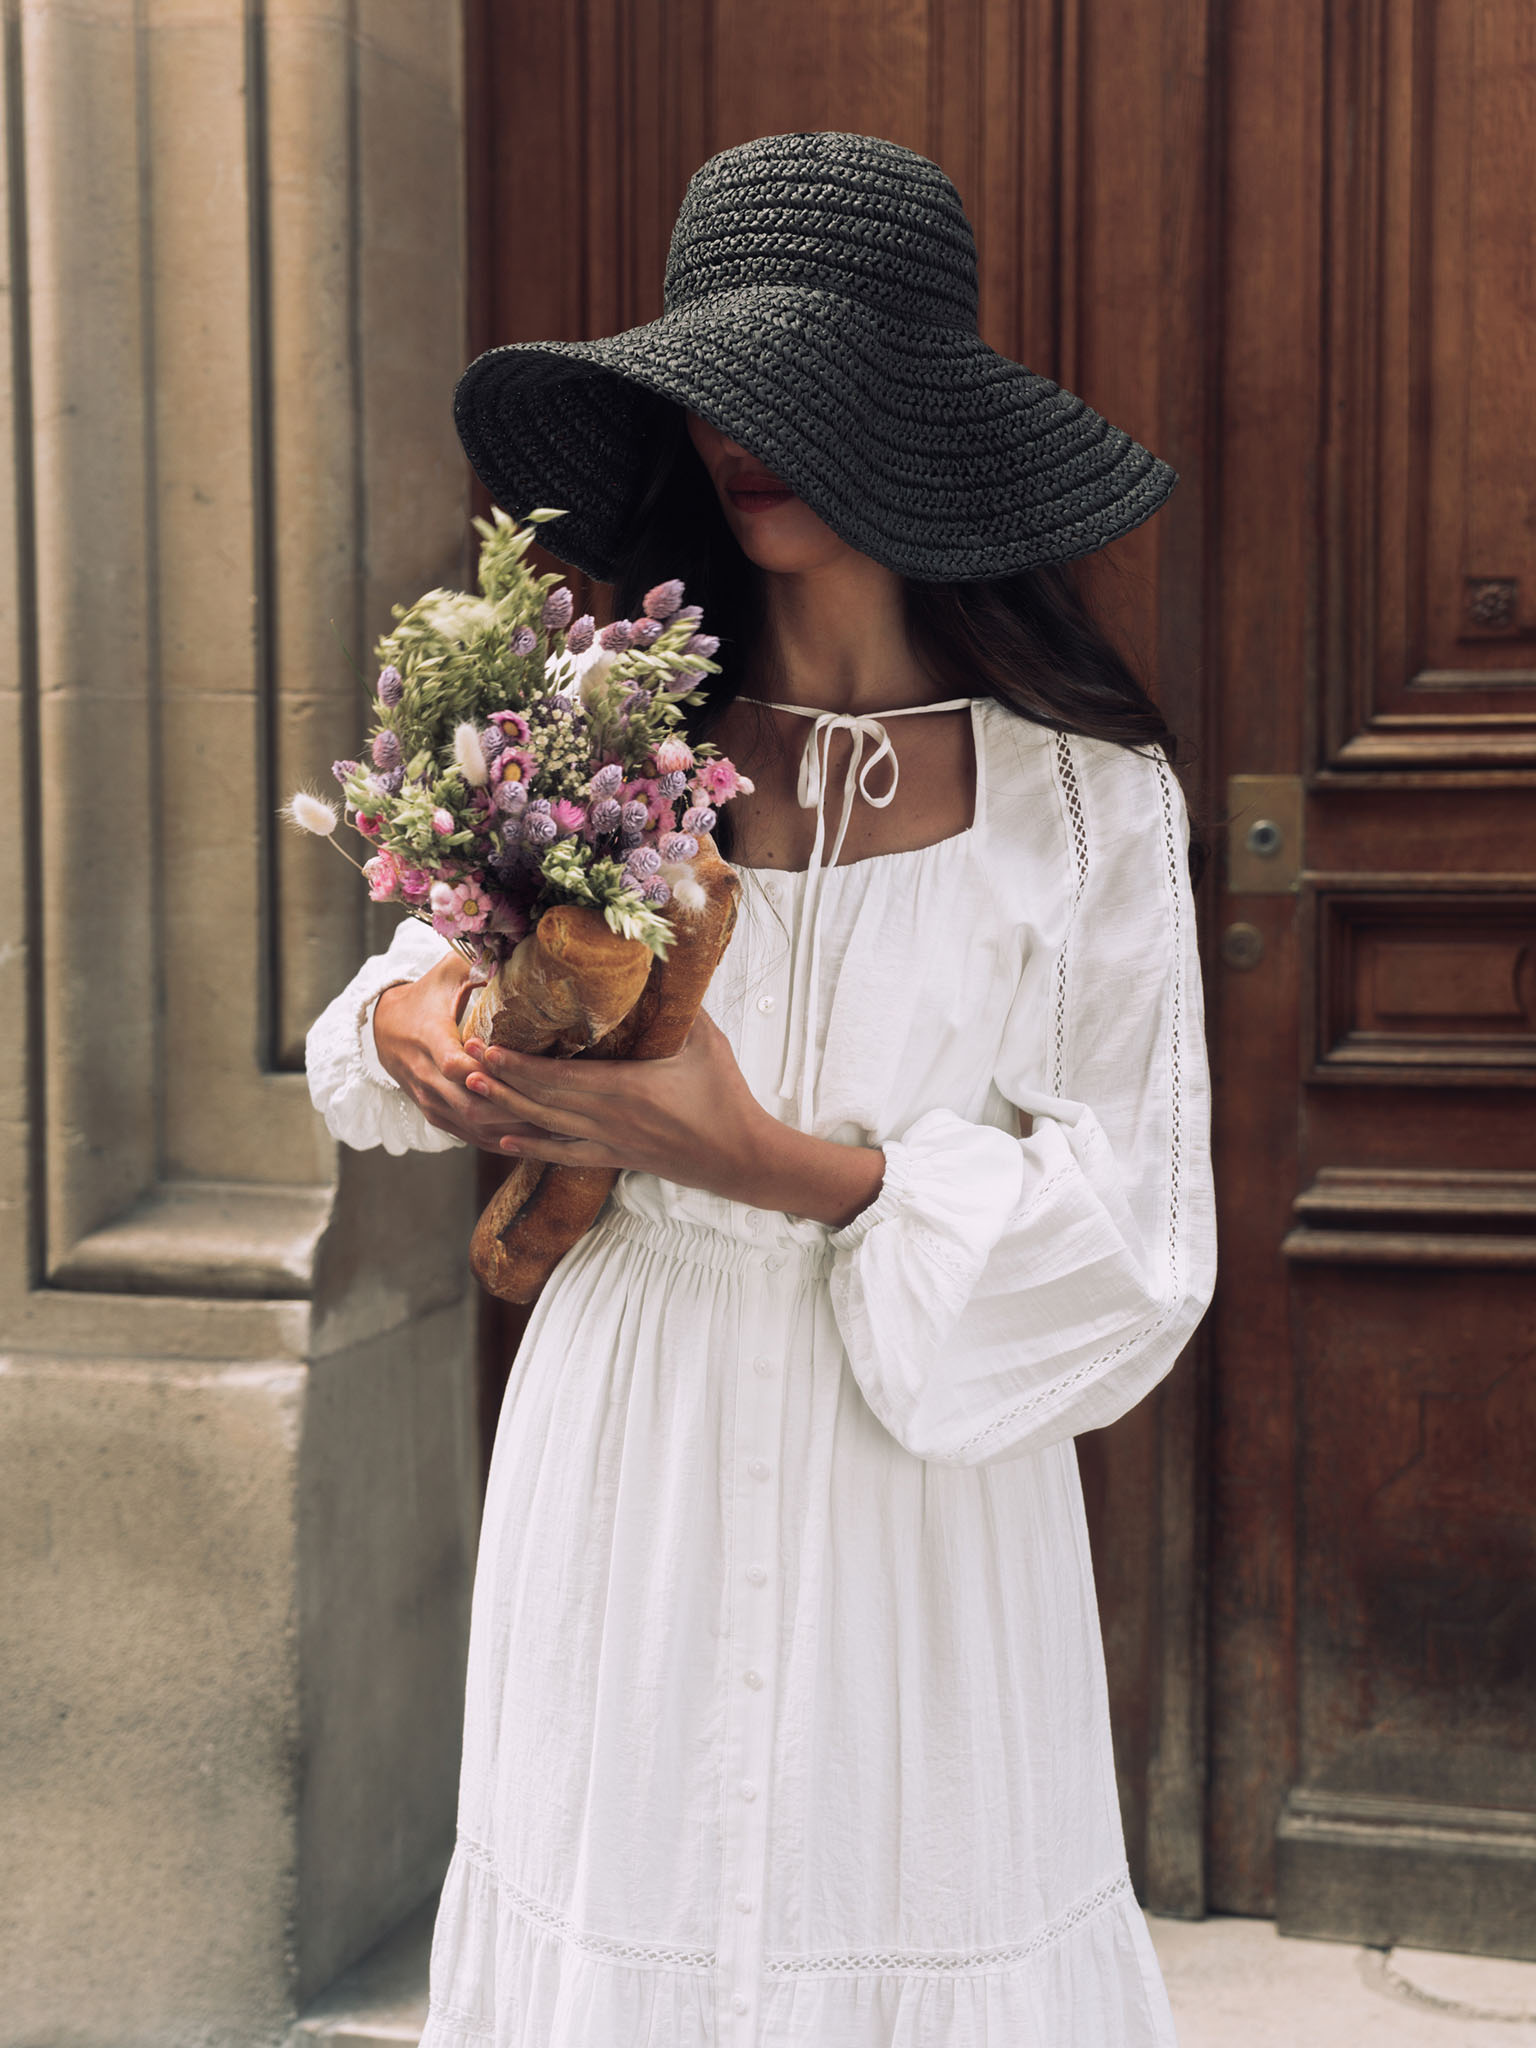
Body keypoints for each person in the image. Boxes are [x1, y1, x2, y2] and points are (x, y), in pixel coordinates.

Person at [306, 130, 1216, 2048]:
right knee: (619, 1893)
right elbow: (401, 1000)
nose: (746, 439)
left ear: (921, 424)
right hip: (628, 1418)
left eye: (803, 393)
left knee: (900, 1891)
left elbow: (1136, 1242)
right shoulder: (605, 730)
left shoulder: (1089, 801)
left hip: (925, 1480)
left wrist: (774, 1164)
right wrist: (415, 1027)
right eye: (720, 391)